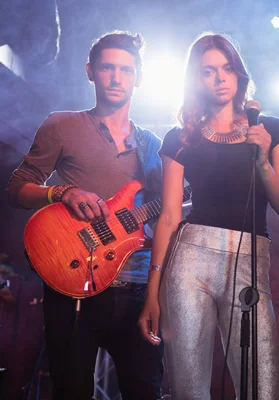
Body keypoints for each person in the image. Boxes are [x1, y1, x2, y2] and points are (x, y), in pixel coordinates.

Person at [6, 31, 164, 399]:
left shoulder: (153, 145)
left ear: (137, 78)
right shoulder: (62, 124)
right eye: (107, 67)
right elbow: (18, 188)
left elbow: (164, 215)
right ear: (90, 71)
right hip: (74, 281)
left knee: (145, 390)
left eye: (125, 70)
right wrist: (62, 191)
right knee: (72, 390)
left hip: (137, 287)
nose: (116, 77)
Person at [138, 33, 279, 399]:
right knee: (188, 388)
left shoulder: (270, 129)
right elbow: (169, 216)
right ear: (196, 79)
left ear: (239, 74)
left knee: (262, 388)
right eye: (208, 72)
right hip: (190, 260)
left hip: (250, 261)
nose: (220, 78)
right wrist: (152, 291)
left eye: (226, 69)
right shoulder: (180, 137)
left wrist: (262, 159)